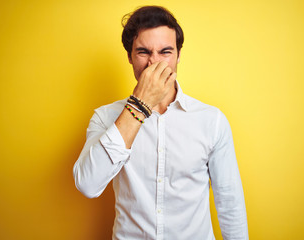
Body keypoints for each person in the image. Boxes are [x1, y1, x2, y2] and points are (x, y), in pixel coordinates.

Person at [73, 5, 248, 240]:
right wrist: (139, 105)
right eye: (143, 52)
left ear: (178, 55)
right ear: (129, 56)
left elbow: (230, 203)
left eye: (165, 52)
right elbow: (87, 184)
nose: (154, 63)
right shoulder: (105, 117)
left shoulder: (211, 120)